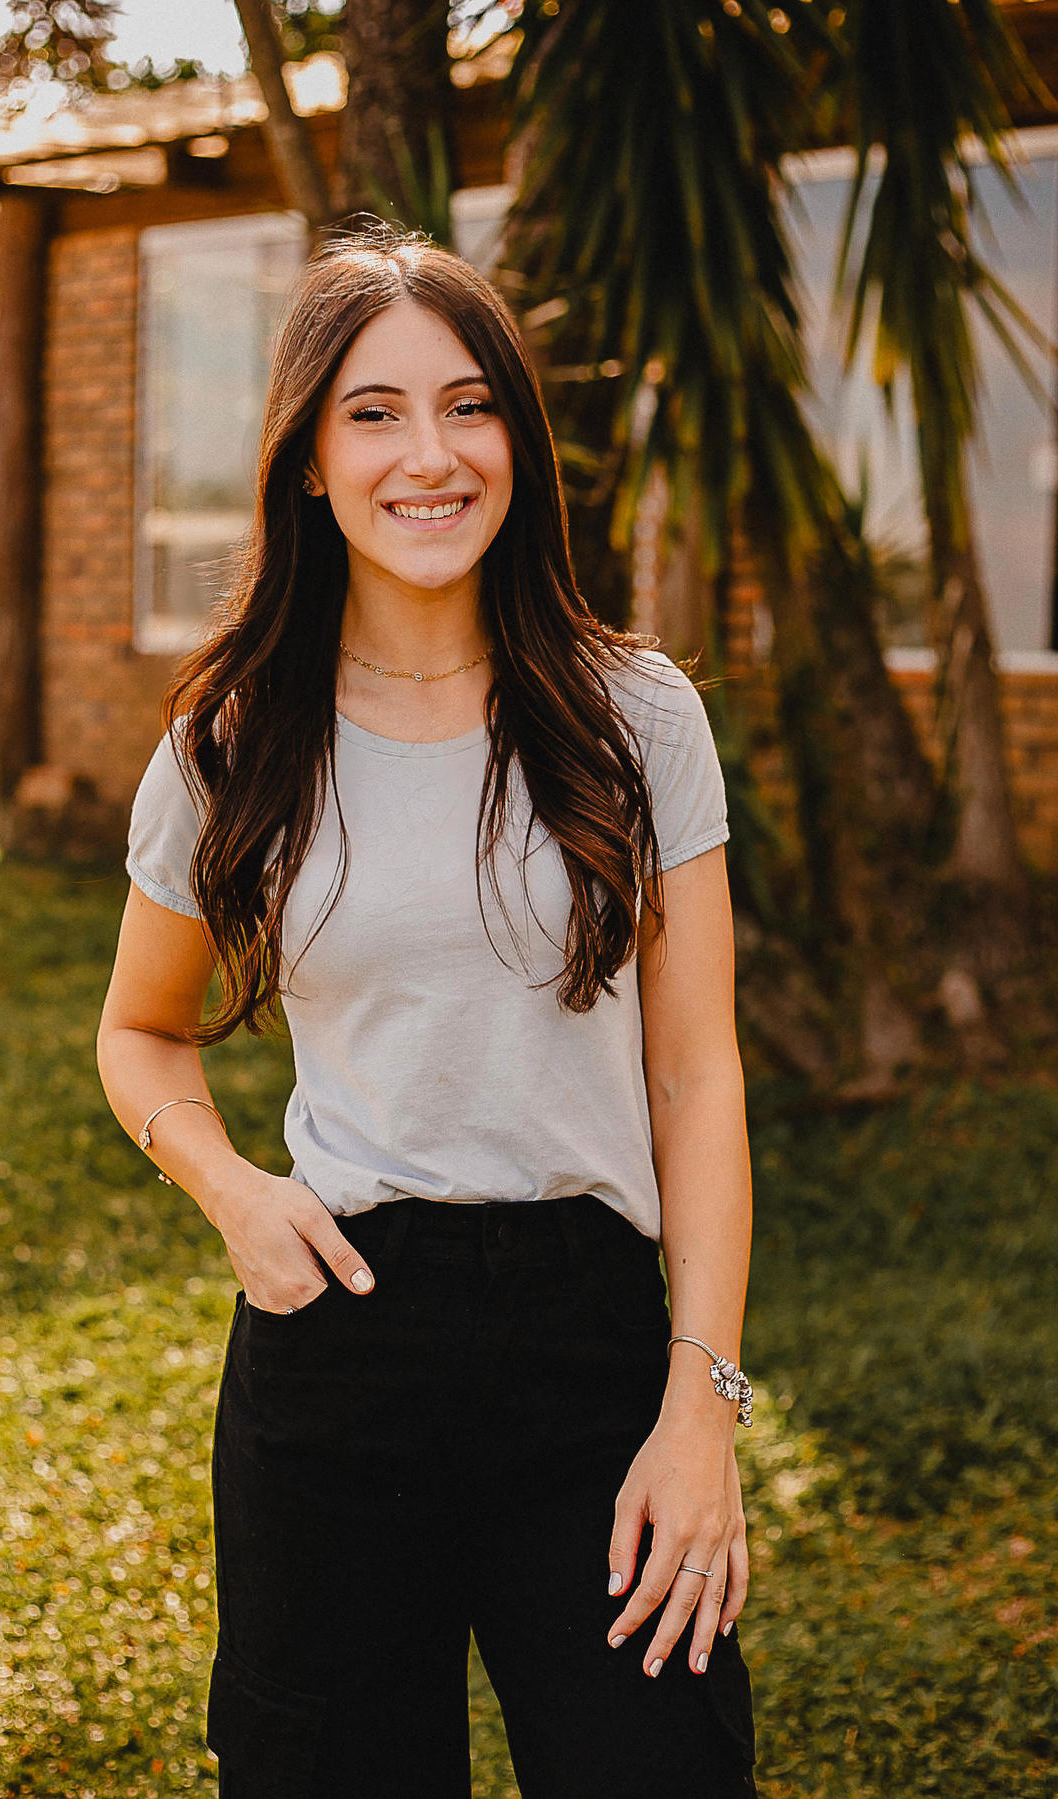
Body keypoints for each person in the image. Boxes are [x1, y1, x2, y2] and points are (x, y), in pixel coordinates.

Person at [97, 225, 758, 1799]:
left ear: (518, 444)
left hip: (595, 1354)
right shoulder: (234, 740)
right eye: (375, 414)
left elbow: (698, 1080)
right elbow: (139, 1028)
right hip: (339, 1354)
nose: (431, 456)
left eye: (469, 408)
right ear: (311, 462)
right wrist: (235, 1191)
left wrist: (702, 1408)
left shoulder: (636, 715)